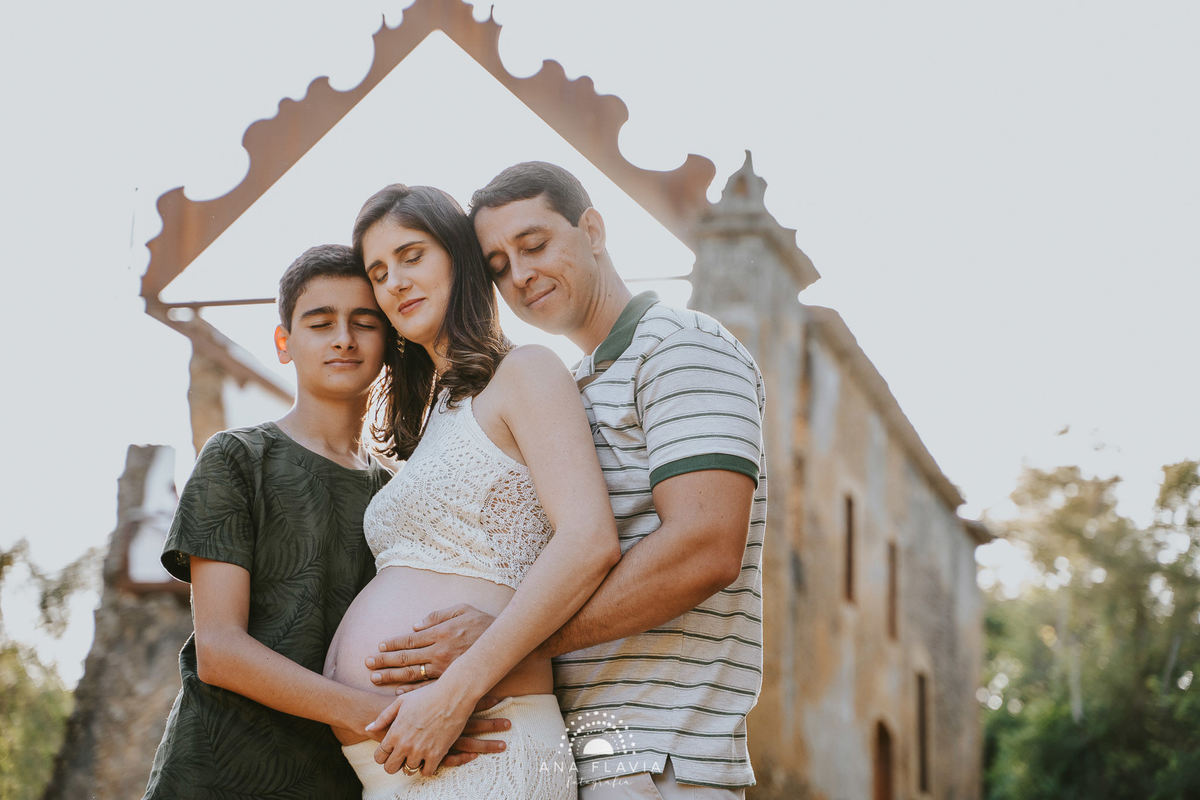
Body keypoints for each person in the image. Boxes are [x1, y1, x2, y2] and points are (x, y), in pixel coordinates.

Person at [371, 162, 768, 798]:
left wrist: (502, 648)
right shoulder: (570, 387)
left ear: (593, 229)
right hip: (573, 754)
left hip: (657, 755)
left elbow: (706, 548)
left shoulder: (682, 345)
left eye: (534, 245)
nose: (521, 276)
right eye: (499, 265)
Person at [142, 245, 506, 800]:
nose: (344, 338)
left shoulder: (399, 492)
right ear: (284, 343)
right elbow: (219, 650)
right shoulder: (238, 458)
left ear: (389, 343)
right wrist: (389, 716)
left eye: (365, 323)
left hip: (348, 776)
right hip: (222, 769)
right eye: (320, 323)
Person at [324, 184, 621, 799]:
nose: (395, 282)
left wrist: (454, 692)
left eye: (412, 256)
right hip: (399, 758)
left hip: (482, 737)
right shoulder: (435, 414)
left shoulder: (526, 372)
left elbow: (589, 541)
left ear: (458, 259)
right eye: (379, 273)